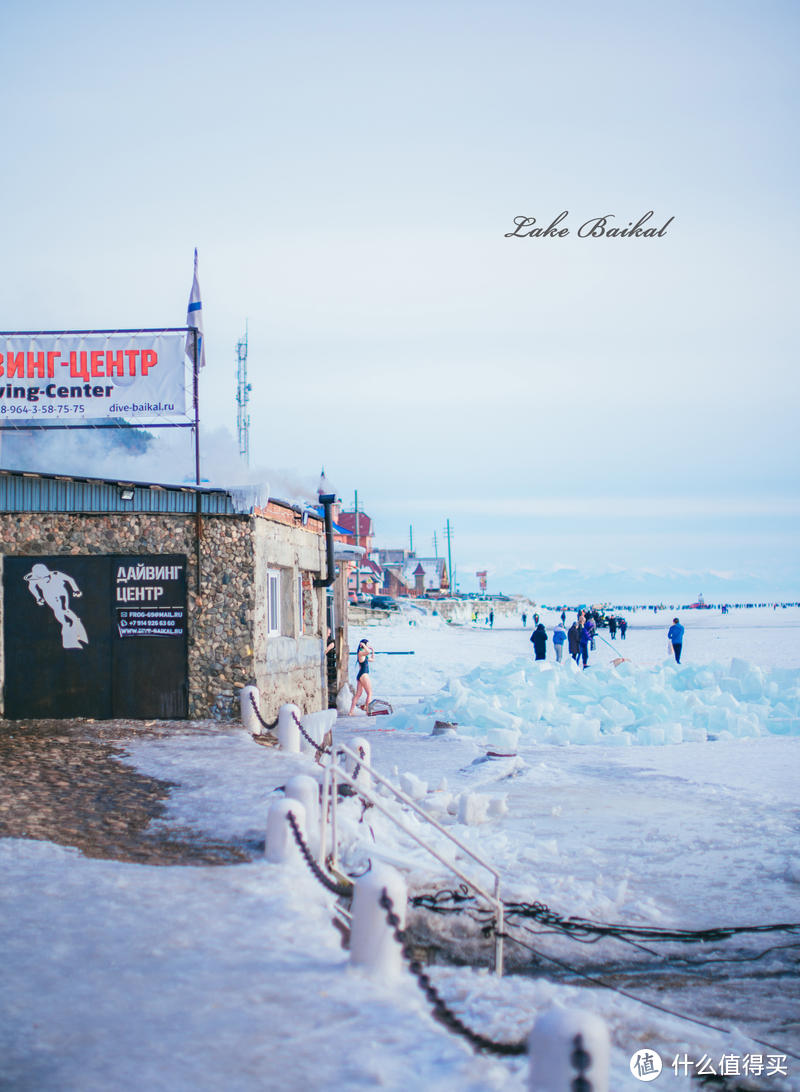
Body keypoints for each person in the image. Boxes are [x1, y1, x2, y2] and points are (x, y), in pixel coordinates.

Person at [349, 638, 374, 714]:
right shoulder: (361, 653)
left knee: (358, 694)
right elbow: (367, 651)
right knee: (369, 693)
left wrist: (373, 651)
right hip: (363, 675)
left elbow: (372, 659)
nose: (368, 646)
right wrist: (364, 645)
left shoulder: (364, 654)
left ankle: (351, 711)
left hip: (361, 675)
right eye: (368, 644)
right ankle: (368, 711)